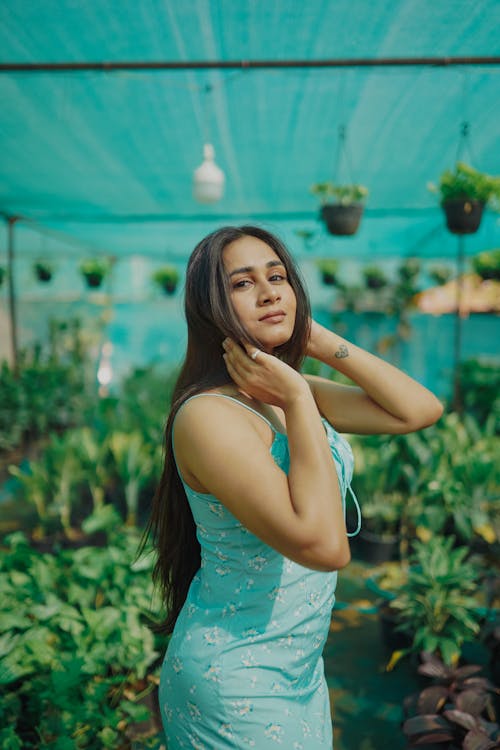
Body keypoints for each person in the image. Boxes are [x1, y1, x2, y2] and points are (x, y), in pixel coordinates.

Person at [146, 225, 443, 749]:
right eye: (242, 283)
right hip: (235, 682)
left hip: (300, 672)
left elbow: (419, 410)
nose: (268, 292)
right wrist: (300, 401)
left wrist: (318, 341)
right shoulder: (209, 417)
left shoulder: (282, 390)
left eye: (277, 276)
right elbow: (325, 547)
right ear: (210, 307)